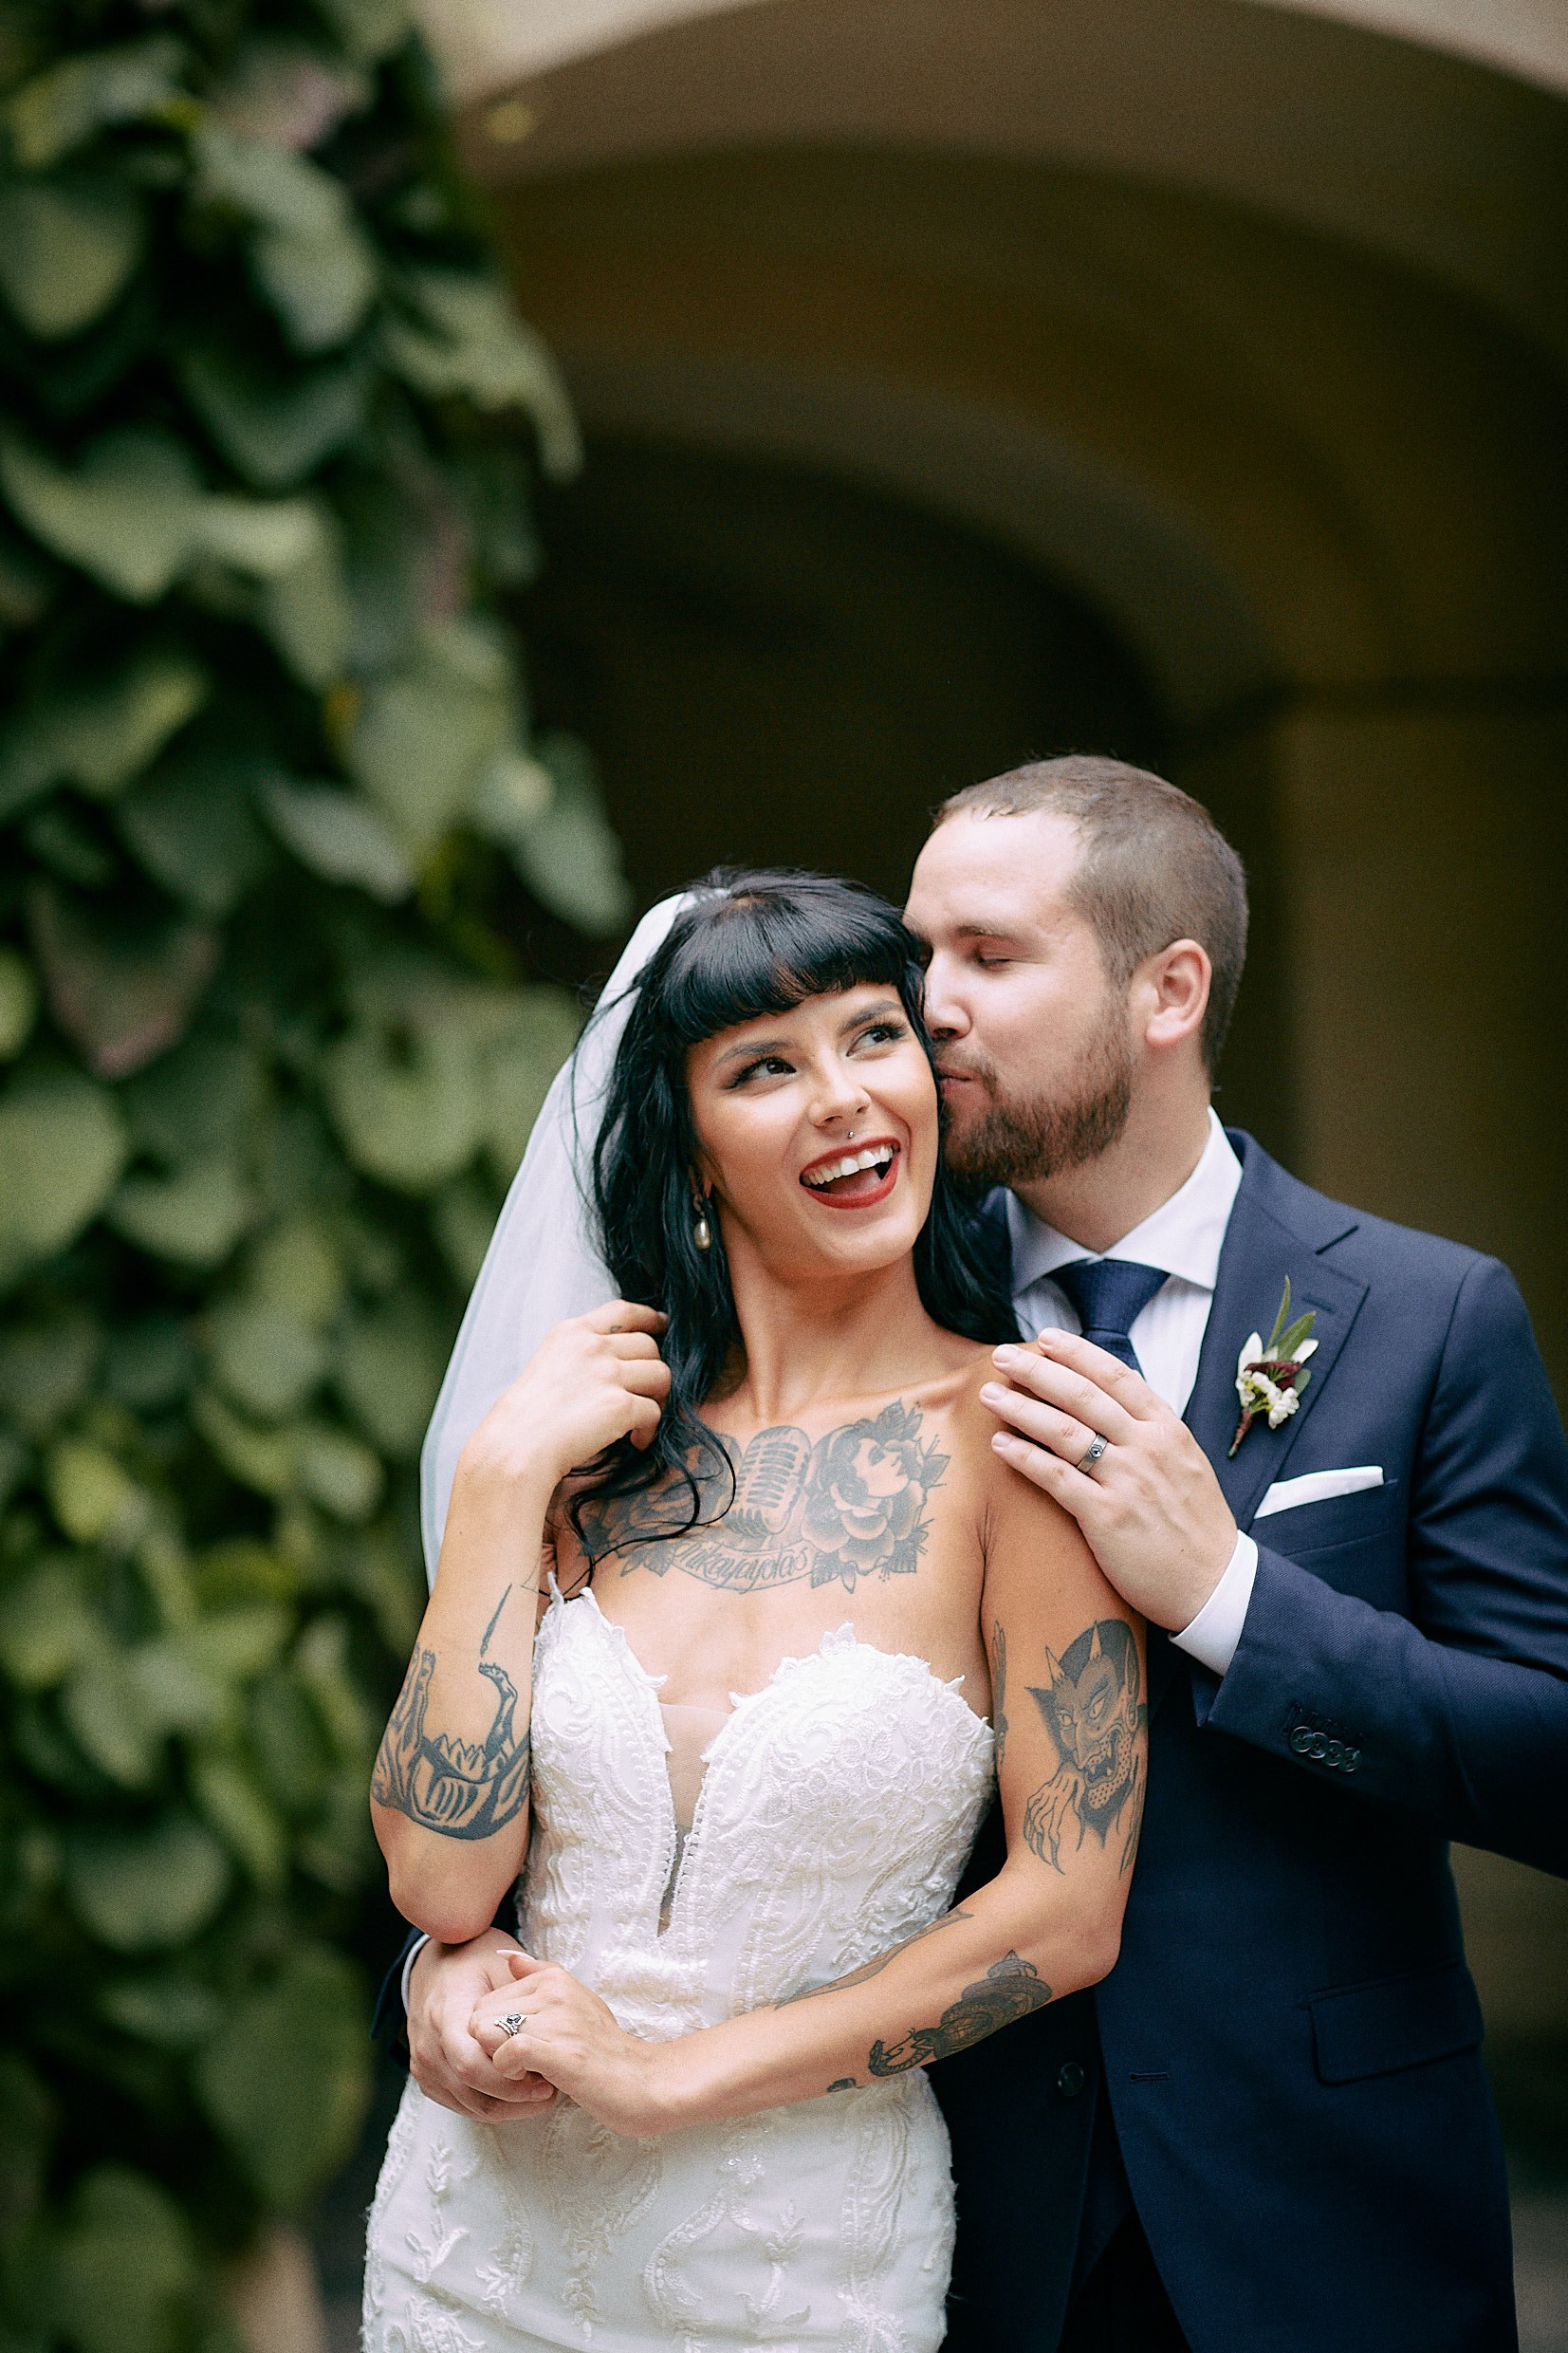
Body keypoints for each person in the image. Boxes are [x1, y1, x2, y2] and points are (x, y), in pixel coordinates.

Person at [401, 757, 1568, 2353]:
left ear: (1166, 992)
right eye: (919, 959)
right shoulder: (865, 1289)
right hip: (961, 2211)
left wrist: (1227, 1598)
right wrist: (450, 1962)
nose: (927, 1007)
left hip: (1308, 2197)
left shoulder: (1423, 1321)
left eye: (984, 960)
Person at [361, 872, 1144, 2353]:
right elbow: (445, 1889)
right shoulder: (585, 1451)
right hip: (471, 2240)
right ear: (693, 1145)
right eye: (765, 1067)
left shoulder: (1020, 1444)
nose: (843, 1099)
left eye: (872, 1037)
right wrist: (495, 1490)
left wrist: (668, 2079)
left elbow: (1067, 1908)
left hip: (798, 2263)